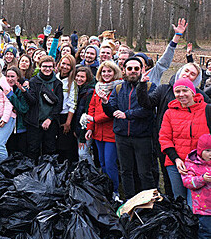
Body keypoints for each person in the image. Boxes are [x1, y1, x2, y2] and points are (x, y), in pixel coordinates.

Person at [138, 62, 210, 197]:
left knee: (195, 197)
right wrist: (142, 85)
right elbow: (147, 103)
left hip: (196, 157)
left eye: (193, 74)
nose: (188, 75)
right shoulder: (164, 91)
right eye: (186, 71)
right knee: (171, 183)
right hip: (169, 147)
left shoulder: (203, 102)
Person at [102, 57, 156, 200]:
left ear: (142, 70)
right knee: (126, 171)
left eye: (136, 68)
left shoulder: (150, 87)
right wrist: (105, 102)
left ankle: (149, 202)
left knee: (145, 172)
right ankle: (129, 201)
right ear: (124, 70)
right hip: (122, 136)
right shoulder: (118, 88)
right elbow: (111, 111)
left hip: (142, 136)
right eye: (130, 68)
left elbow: (148, 110)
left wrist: (127, 114)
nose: (133, 71)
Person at [159, 78, 210, 201]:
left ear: (193, 92)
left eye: (185, 90)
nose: (181, 94)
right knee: (180, 200)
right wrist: (175, 159)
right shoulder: (169, 113)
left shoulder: (207, 110)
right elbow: (164, 137)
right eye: (177, 91)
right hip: (176, 164)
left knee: (196, 202)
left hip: (200, 164)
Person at [85, 61, 122, 197]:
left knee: (110, 162)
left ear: (115, 72)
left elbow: (111, 111)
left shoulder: (118, 88)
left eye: (109, 71)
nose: (106, 74)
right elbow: (92, 108)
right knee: (101, 162)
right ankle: (105, 187)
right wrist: (90, 127)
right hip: (97, 133)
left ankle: (115, 191)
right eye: (104, 72)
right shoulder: (98, 87)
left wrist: (95, 119)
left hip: (111, 132)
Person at [21, 55, 64, 161]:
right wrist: (24, 92)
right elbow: (32, 102)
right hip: (34, 122)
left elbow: (59, 105)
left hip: (51, 122)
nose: (47, 69)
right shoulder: (34, 81)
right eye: (45, 66)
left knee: (50, 149)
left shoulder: (57, 83)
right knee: (33, 149)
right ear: (40, 67)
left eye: (50, 66)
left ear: (54, 67)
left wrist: (50, 119)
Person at [182, 134, 211, 239]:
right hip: (204, 209)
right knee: (206, 234)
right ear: (200, 151)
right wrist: (202, 179)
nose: (210, 154)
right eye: (207, 150)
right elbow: (187, 182)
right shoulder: (192, 164)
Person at [55, 54, 78, 163]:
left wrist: (68, 122)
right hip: (53, 115)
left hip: (65, 116)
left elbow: (72, 104)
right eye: (63, 63)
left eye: (68, 65)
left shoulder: (72, 82)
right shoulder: (55, 77)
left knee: (65, 146)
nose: (65, 66)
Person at [72, 66, 96, 165]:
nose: (79, 79)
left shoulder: (89, 92)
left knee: (83, 153)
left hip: (86, 129)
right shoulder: (79, 89)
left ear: (88, 78)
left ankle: (92, 175)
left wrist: (82, 136)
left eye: (82, 77)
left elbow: (87, 114)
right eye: (77, 76)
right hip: (79, 128)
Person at [4, 67, 29, 156]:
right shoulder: (3, 88)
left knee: (21, 153)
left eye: (12, 76)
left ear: (18, 77)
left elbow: (23, 108)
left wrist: (11, 96)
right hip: (7, 127)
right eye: (8, 76)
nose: (10, 79)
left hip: (20, 127)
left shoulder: (22, 89)